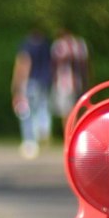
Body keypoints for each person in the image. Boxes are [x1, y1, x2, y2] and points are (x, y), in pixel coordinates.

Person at [12, 25, 54, 157]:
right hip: (45, 82)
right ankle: (43, 130)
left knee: (26, 113)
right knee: (42, 110)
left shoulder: (27, 45)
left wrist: (16, 84)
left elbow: (24, 63)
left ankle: (30, 142)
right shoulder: (47, 45)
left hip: (30, 82)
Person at [51, 27, 90, 128]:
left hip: (64, 83)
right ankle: (76, 130)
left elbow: (54, 64)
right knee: (77, 108)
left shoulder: (59, 45)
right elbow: (85, 64)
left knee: (67, 110)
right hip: (79, 81)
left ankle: (69, 133)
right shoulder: (80, 45)